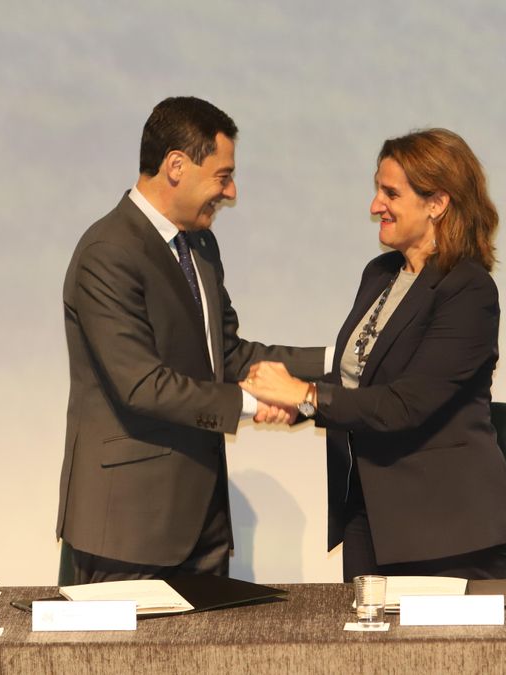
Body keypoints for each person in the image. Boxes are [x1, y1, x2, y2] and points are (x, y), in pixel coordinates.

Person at [57, 96, 327, 584]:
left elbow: (226, 355)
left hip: (202, 526)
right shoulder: (107, 252)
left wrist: (340, 359)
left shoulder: (199, 245)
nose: (231, 192)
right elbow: (141, 386)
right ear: (176, 166)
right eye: (223, 176)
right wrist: (252, 402)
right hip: (127, 529)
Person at [242, 128, 506, 581]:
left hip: (446, 531)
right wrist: (298, 406)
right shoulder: (380, 275)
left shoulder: (468, 290)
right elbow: (359, 384)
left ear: (437, 203)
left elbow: (405, 405)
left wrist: (306, 393)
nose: (375, 205)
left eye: (390, 193)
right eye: (377, 189)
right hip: (371, 518)